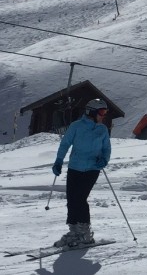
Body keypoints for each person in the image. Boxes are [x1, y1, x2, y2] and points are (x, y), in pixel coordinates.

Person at [52, 98, 112, 247]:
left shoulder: (102, 129)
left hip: (92, 169)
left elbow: (106, 148)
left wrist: (104, 160)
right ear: (91, 112)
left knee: (80, 198)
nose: (103, 116)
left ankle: (85, 233)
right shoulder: (76, 126)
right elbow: (65, 143)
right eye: (101, 112)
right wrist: (59, 160)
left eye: (105, 112)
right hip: (75, 168)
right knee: (72, 200)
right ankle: (74, 232)